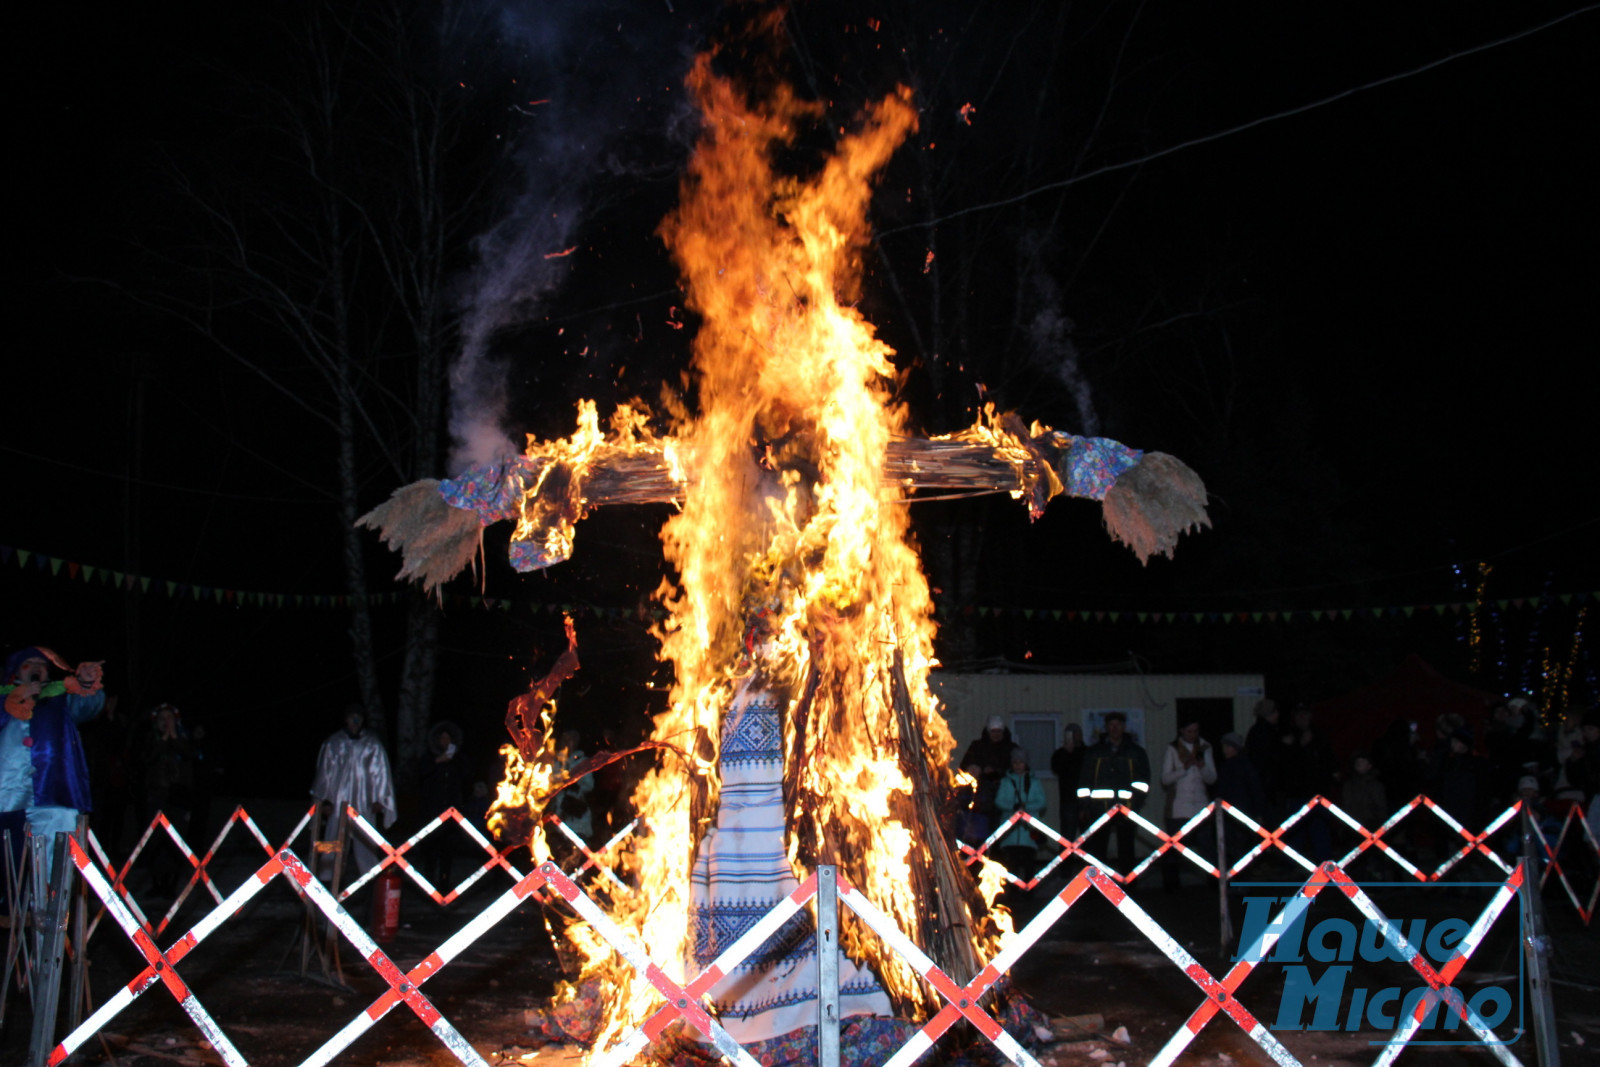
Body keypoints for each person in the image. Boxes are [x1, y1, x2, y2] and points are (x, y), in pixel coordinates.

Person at [1, 646, 105, 880]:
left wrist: (86, 682)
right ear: (16, 670)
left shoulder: (60, 698)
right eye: (30, 663)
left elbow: (89, 707)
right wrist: (18, 696)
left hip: (53, 791)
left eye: (42, 664)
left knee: (54, 862)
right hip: (5, 795)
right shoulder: (2, 698)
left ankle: (50, 911)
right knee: (6, 862)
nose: (38, 667)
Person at [310, 704, 397, 883]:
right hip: (337, 803)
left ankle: (370, 878)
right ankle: (327, 877)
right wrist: (324, 800)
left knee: (365, 840)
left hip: (363, 803)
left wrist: (380, 799)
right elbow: (324, 773)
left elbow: (381, 773)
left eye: (358, 717)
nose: (355, 721)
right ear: (346, 719)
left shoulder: (372, 745)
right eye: (352, 717)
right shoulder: (333, 743)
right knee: (332, 840)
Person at [1077, 711, 1150, 872]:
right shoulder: (1094, 752)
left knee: (1127, 849)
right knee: (1097, 850)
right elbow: (1084, 781)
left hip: (1127, 808)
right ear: (1106, 727)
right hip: (1098, 809)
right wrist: (1084, 806)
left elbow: (1143, 782)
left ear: (1124, 727)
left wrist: (1133, 804)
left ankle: (1127, 886)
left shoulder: (1136, 752)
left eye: (1118, 725)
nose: (1114, 728)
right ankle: (1098, 887)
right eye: (1111, 725)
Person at [140, 703, 196, 895]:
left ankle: (172, 883)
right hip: (157, 795)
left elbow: (192, 756)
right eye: (162, 719)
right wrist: (163, 740)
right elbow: (147, 760)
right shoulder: (150, 739)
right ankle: (157, 882)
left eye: (169, 718)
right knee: (156, 839)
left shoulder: (184, 738)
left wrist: (174, 739)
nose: (166, 722)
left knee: (176, 839)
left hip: (179, 797)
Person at [1159, 717, 1216, 891]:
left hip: (1200, 806)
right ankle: (1172, 885)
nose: (1193, 735)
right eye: (1189, 731)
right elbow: (1165, 778)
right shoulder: (1173, 749)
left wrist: (1201, 767)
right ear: (1182, 731)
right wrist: (1184, 768)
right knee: (1174, 848)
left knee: (1207, 846)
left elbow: (1212, 778)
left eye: (1196, 731)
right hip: (1178, 808)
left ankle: (1213, 882)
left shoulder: (1205, 748)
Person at [419, 720, 466, 888]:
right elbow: (421, 773)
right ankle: (428, 881)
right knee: (431, 848)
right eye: (442, 738)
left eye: (448, 738)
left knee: (448, 849)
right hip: (432, 811)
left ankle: (444, 882)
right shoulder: (429, 757)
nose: (445, 741)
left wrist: (454, 760)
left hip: (451, 812)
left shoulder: (458, 758)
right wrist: (438, 761)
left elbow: (467, 774)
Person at [993, 747, 1047, 887]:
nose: (1018, 765)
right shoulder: (1006, 782)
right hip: (1010, 834)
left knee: (1029, 864)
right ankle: (1013, 893)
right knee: (1011, 865)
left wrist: (1026, 807)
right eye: (1015, 762)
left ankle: (1029, 890)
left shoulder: (1034, 782)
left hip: (1028, 834)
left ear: (1026, 763)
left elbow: (1041, 802)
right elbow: (999, 801)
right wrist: (1013, 807)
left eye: (1021, 762)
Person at [1049, 723, 1085, 839]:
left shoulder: (1088, 753)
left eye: (1077, 733)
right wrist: (1066, 753)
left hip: (1087, 801)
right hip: (1068, 800)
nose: (1075, 736)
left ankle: (1087, 857)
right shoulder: (1060, 753)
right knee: (1067, 837)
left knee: (1089, 836)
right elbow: (1057, 768)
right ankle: (1068, 858)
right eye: (1071, 734)